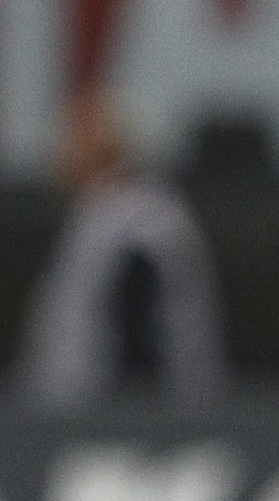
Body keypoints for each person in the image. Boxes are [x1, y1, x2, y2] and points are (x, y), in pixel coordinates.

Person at [15, 92, 223, 410]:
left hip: (127, 420)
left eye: (73, 143)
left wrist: (130, 411)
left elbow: (141, 333)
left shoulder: (140, 219)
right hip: (84, 415)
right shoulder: (102, 212)